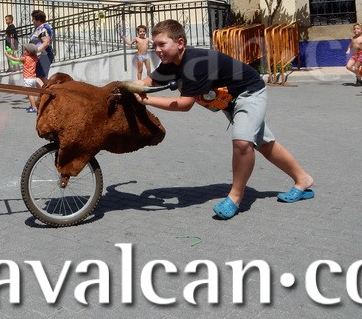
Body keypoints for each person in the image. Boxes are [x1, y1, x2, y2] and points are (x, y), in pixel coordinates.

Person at [133, 19, 313, 220]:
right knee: (264, 143)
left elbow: (185, 104)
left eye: (162, 44)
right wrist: (135, 86)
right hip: (230, 101)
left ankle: (235, 197)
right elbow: (151, 80)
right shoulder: (171, 62)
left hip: (249, 92)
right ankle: (303, 179)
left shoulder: (195, 63)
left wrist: (146, 100)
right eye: (155, 45)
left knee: (242, 143)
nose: (157, 50)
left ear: (180, 43)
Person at [5, 43, 43, 113]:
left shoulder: (25, 58)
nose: (24, 51)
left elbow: (15, 59)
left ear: (28, 52)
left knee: (29, 94)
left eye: (25, 50)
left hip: (28, 79)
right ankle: (35, 106)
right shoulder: (34, 58)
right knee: (32, 93)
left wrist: (8, 55)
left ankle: (34, 108)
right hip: (33, 78)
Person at [30, 10, 54, 82]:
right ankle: (47, 89)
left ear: (38, 19)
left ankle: (44, 90)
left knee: (39, 78)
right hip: (40, 56)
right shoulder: (39, 28)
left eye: (33, 19)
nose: (32, 21)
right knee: (42, 78)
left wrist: (36, 50)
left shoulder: (44, 28)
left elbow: (46, 43)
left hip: (44, 56)